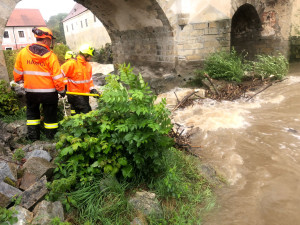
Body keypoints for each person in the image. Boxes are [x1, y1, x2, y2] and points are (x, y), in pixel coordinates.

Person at [13, 27, 66, 141]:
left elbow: (17, 73)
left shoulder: (23, 53)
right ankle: (51, 139)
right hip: (49, 93)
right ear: (46, 40)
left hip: (31, 91)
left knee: (32, 115)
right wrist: (61, 90)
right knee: (50, 116)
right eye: (50, 40)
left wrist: (20, 80)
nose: (51, 43)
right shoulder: (51, 56)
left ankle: (33, 138)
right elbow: (57, 77)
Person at [61, 44, 99, 115]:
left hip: (84, 95)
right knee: (87, 113)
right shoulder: (71, 64)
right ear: (85, 54)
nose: (91, 58)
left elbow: (89, 80)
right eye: (90, 56)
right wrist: (60, 88)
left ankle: (76, 123)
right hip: (74, 95)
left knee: (77, 115)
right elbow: (58, 75)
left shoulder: (88, 66)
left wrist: (92, 89)